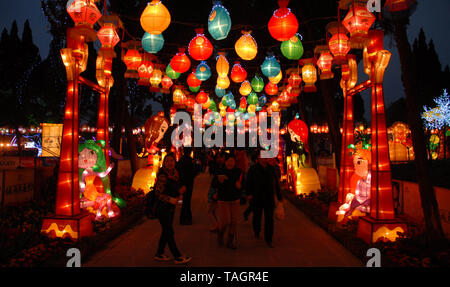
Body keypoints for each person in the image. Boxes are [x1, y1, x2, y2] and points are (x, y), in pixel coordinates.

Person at [153, 153, 191, 264]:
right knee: (169, 232)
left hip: (170, 208)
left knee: (166, 231)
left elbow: (174, 187)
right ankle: (177, 256)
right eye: (167, 161)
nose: (170, 163)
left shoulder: (175, 174)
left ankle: (159, 253)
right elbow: (157, 193)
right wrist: (170, 199)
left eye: (172, 161)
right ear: (164, 163)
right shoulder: (163, 176)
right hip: (162, 208)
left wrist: (180, 191)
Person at [246, 151, 283, 248]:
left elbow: (276, 184)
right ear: (258, 157)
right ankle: (257, 231)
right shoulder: (253, 169)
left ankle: (269, 238)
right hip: (257, 197)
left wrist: (279, 197)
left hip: (269, 197)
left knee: (269, 219)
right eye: (262, 155)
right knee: (257, 216)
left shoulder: (271, 169)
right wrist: (248, 194)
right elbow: (248, 182)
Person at [211, 153, 243, 249]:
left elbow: (243, 184)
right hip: (223, 199)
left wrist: (240, 186)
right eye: (228, 161)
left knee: (234, 221)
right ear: (225, 162)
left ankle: (230, 241)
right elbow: (213, 184)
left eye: (232, 161)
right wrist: (219, 181)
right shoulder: (220, 171)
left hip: (235, 199)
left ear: (234, 162)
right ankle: (220, 234)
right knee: (227, 221)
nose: (230, 163)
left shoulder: (238, 172)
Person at [177, 147, 198, 225]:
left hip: (182, 183)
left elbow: (177, 170)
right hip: (189, 183)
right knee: (187, 201)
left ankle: (186, 218)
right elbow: (194, 171)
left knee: (185, 201)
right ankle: (185, 218)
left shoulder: (181, 160)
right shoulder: (190, 161)